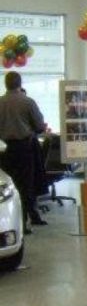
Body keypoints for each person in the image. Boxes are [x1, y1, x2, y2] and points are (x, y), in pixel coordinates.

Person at [0, 71, 48, 232]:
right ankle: (30, 218)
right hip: (24, 148)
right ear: (20, 84)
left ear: (6, 84)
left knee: (10, 185)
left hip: (4, 150)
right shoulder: (27, 102)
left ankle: (18, 220)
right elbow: (40, 126)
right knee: (26, 184)